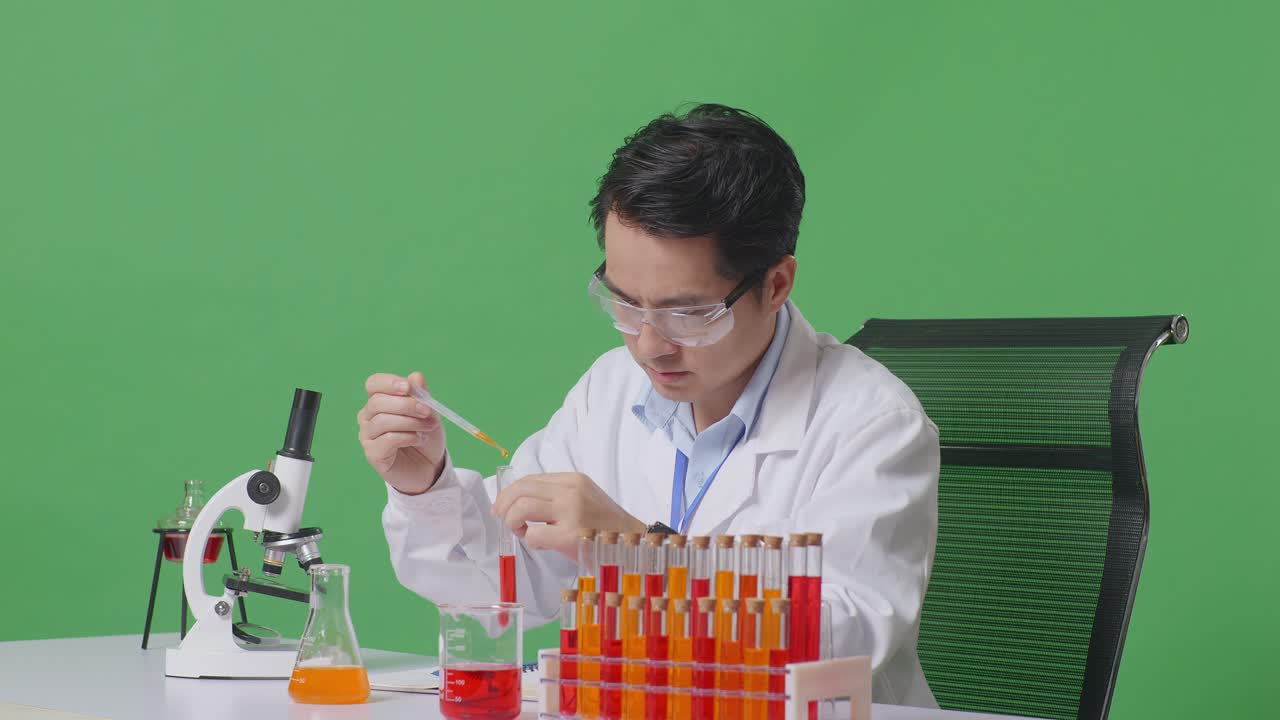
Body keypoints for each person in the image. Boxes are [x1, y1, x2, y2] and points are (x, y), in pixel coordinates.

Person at [358, 104, 940, 707]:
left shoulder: (873, 423)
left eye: (688, 313)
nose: (649, 345)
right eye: (625, 303)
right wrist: (424, 488)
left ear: (776, 284)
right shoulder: (610, 388)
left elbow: (842, 642)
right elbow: (509, 587)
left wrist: (637, 552)